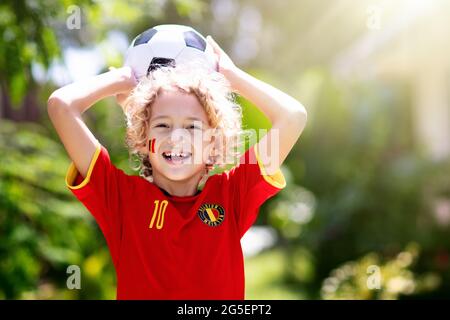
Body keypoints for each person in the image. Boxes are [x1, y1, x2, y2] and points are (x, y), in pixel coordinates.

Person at [47, 35, 307, 299]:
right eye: (162, 125)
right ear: (142, 138)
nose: (176, 138)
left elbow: (293, 117)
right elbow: (61, 106)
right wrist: (125, 78)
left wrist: (232, 76)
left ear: (212, 141)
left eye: (192, 127)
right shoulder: (119, 198)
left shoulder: (233, 194)